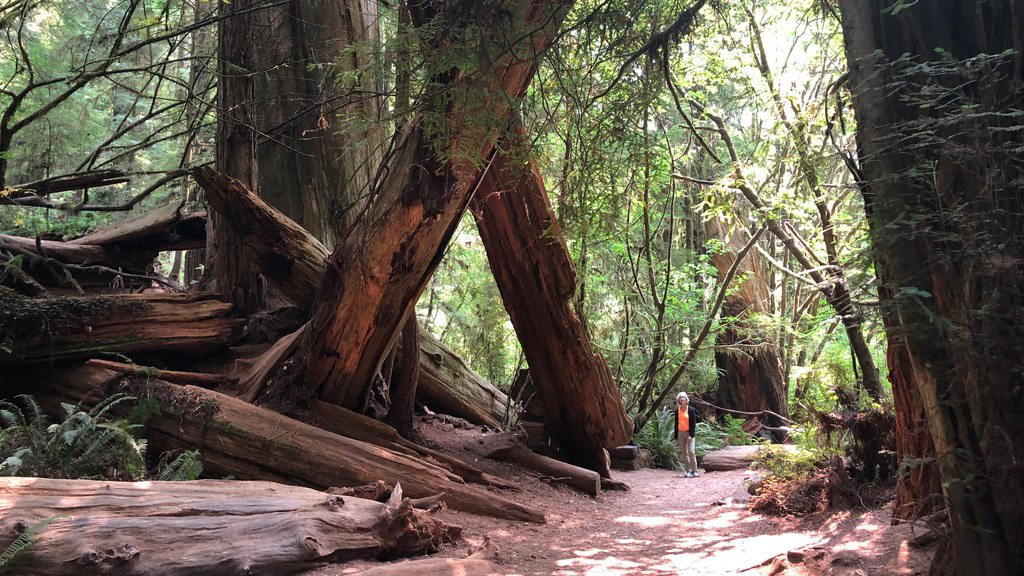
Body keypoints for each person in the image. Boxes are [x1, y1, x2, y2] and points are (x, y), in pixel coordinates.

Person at [673, 392, 700, 477]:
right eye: (680, 398)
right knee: (684, 453)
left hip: (689, 433)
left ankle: (694, 470)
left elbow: (693, 423)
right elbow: (676, 424)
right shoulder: (677, 411)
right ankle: (688, 470)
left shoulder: (691, 410)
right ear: (679, 400)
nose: (682, 399)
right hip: (680, 433)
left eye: (684, 397)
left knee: (691, 451)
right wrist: (676, 436)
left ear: (686, 399)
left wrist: (691, 435)